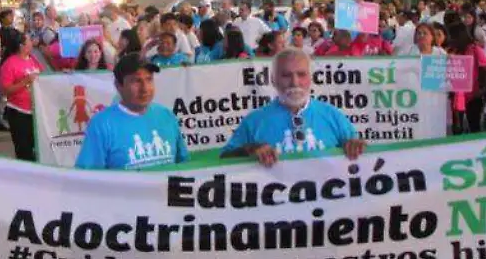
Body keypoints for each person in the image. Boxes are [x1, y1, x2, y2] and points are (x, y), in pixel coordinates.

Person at [220, 49, 365, 165]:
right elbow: (224, 158)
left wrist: (353, 146)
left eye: (301, 74)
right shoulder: (254, 121)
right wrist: (250, 149)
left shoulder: (333, 116)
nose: (295, 82)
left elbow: (361, 156)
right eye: (286, 75)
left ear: (311, 78)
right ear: (273, 80)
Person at [75, 53, 188, 170]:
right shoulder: (101, 124)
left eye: (149, 79)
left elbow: (183, 166)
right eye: (136, 81)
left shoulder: (166, 116)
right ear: (118, 85)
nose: (144, 88)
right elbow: (87, 179)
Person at [0, 28, 44, 161]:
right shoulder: (10, 64)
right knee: (23, 150)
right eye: (29, 40)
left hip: (35, 111)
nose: (32, 42)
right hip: (19, 112)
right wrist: (25, 81)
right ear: (22, 46)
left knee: (36, 147)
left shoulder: (32, 59)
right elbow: (5, 90)